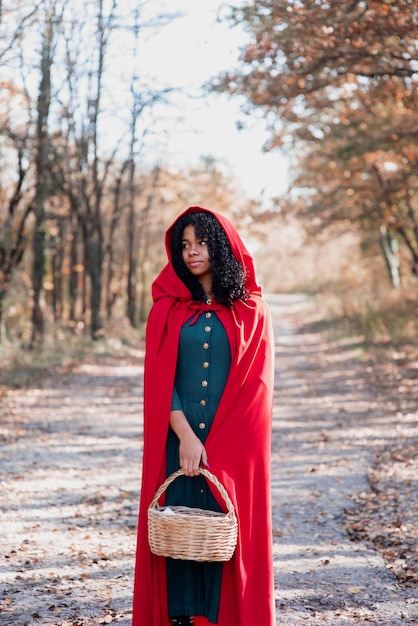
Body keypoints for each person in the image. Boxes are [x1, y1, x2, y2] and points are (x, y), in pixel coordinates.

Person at [132, 206, 275, 626]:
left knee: (223, 531)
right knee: (176, 532)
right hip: (176, 440)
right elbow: (160, 382)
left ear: (222, 244)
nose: (193, 252)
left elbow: (257, 392)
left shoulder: (252, 311)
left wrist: (218, 447)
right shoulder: (167, 310)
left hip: (230, 444)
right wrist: (186, 437)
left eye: (202, 242)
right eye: (185, 245)